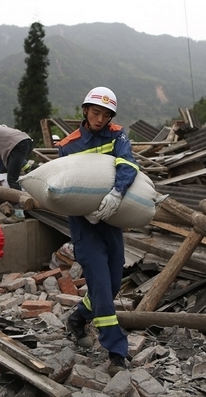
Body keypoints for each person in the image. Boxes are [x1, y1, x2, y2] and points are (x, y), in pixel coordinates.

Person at [55, 86, 138, 376]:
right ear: (85, 110)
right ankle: (116, 351)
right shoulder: (69, 144)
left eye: (105, 114)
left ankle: (77, 318)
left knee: (114, 283)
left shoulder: (117, 135)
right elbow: (62, 183)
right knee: (101, 284)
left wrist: (116, 193)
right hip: (83, 225)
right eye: (95, 112)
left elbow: (128, 164)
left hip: (110, 219)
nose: (100, 119)